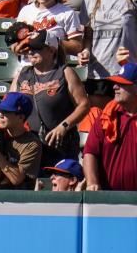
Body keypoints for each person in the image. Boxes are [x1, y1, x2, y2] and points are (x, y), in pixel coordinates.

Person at [11, 30, 89, 167]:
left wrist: (64, 126)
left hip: (60, 145)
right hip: (29, 146)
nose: (31, 52)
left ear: (52, 50)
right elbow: (9, 103)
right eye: (29, 48)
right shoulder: (22, 74)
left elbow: (84, 104)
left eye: (37, 48)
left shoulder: (65, 73)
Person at [83, 62, 137, 190]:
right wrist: (92, 183)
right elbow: (90, 153)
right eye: (115, 83)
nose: (115, 87)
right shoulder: (106, 117)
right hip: (109, 201)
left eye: (122, 84)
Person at [77, 0, 137, 98]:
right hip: (98, 73)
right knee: (100, 115)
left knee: (126, 115)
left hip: (126, 71)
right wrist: (85, 51)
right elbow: (88, 36)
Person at [15, 0, 84, 56]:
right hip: (26, 64)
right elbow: (15, 44)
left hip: (54, 65)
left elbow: (77, 47)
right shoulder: (25, 10)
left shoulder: (67, 13)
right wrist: (17, 47)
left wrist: (51, 40)